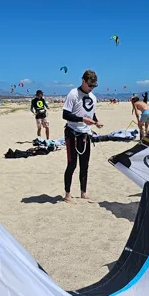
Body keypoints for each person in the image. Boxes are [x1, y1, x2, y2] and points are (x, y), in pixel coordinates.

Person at [62, 70, 103, 203]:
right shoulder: (73, 94)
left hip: (86, 134)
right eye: (89, 85)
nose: (91, 88)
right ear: (83, 81)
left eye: (93, 86)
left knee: (85, 165)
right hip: (72, 133)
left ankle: (83, 192)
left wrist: (96, 122)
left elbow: (90, 113)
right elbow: (65, 115)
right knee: (72, 164)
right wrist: (82, 119)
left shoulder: (93, 97)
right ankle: (67, 194)